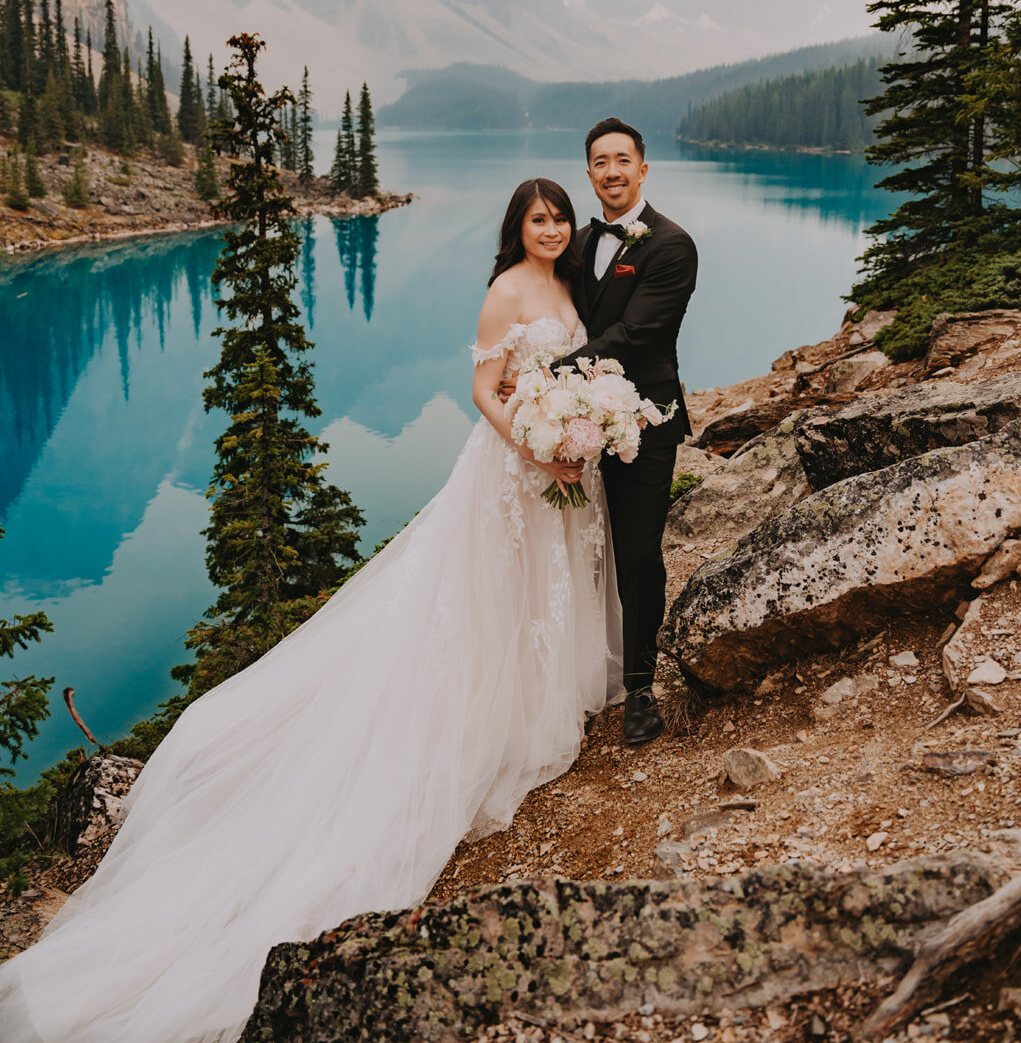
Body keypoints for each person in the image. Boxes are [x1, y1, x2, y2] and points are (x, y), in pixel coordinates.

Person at [0, 178, 622, 1043]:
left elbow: (573, 369)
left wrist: (579, 425)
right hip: (513, 470)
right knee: (488, 597)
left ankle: (542, 702)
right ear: (516, 227)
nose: (551, 229)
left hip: (561, 468)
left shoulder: (569, 285)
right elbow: (483, 392)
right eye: (537, 218)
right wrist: (535, 440)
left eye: (558, 218)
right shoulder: (506, 290)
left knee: (537, 596)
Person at [563, 118, 698, 746]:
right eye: (599, 162)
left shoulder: (672, 245)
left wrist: (556, 370)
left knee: (638, 554)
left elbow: (638, 333)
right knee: (573, 549)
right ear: (589, 174)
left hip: (643, 421)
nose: (611, 171)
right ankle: (575, 675)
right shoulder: (578, 240)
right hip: (573, 424)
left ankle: (640, 690)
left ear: (643, 168)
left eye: (622, 159)